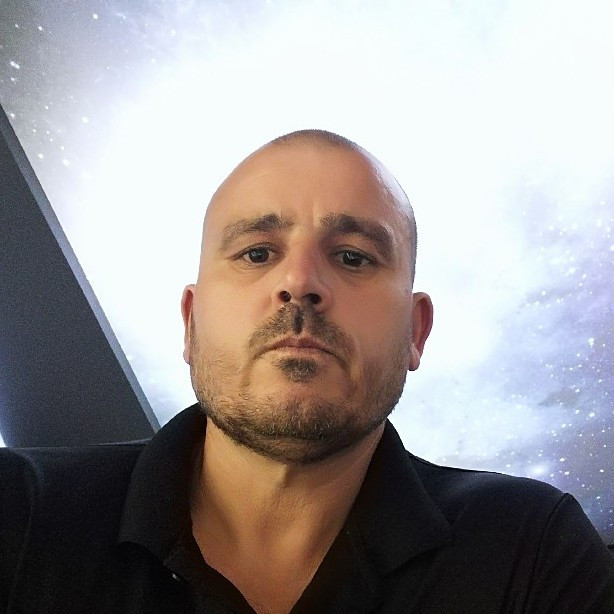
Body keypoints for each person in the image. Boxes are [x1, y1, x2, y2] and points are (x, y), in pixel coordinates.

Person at [1, 129, 613, 613]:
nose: (299, 283)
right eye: (256, 253)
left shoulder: (532, 550)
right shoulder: (18, 515)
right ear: (190, 322)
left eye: (353, 257)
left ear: (416, 332)